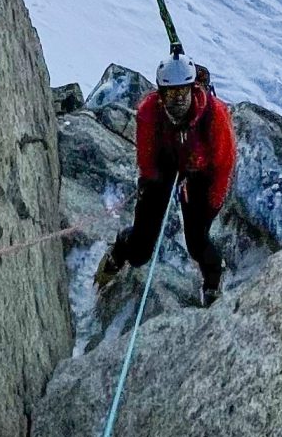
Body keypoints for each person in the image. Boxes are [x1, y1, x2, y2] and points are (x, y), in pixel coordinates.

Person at [96, 54, 236, 305]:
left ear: (193, 88)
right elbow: (147, 157)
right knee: (141, 249)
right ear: (161, 94)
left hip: (199, 171)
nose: (179, 98)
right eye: (172, 93)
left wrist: (212, 203)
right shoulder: (149, 112)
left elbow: (223, 163)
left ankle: (213, 281)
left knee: (197, 241)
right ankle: (122, 248)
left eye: (183, 91)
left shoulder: (215, 115)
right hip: (163, 166)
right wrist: (150, 185)